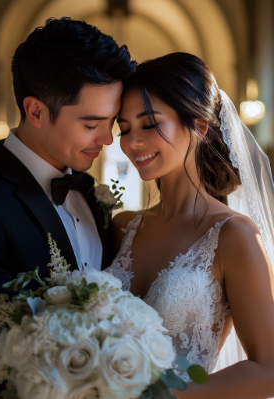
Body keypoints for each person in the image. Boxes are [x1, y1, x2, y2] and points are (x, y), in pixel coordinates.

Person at [0, 17, 136, 399]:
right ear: (35, 111)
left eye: (111, 123)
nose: (107, 139)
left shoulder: (89, 193)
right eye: (92, 123)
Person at [109, 52, 274, 398]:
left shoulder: (234, 236)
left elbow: (269, 369)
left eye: (149, 123)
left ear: (198, 125)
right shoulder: (122, 227)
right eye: (124, 129)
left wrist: (165, 396)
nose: (132, 142)